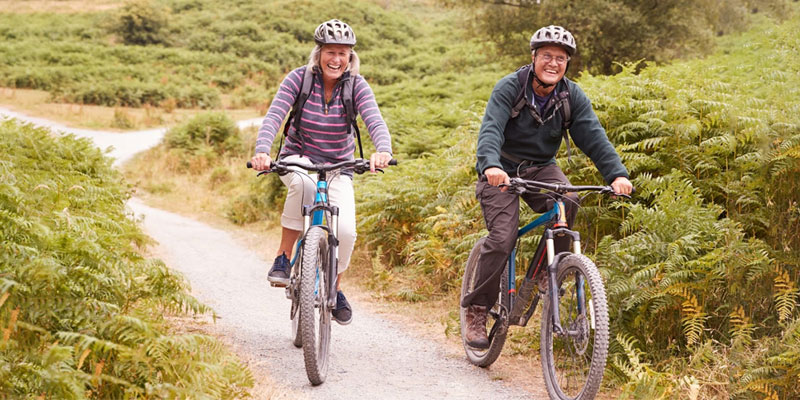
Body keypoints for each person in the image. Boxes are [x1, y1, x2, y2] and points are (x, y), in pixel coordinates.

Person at [462, 25, 633, 348]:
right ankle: (478, 309)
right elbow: (491, 130)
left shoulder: (572, 96)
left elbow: (594, 138)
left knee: (569, 198)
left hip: (541, 168)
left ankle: (546, 270)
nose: (553, 63)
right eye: (546, 56)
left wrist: (616, 174)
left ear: (567, 63)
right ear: (534, 58)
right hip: (502, 169)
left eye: (560, 58)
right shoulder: (509, 88)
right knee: (502, 237)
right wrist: (492, 166)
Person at [250, 19, 393, 325]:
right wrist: (262, 150)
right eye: (330, 51)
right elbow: (274, 115)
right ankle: (284, 257)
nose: (336, 59)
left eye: (343, 53)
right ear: (319, 53)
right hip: (299, 157)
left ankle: (336, 288)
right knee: (304, 186)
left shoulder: (357, 85)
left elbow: (374, 120)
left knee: (346, 231)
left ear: (350, 57)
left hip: (339, 164)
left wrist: (383, 150)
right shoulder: (298, 79)